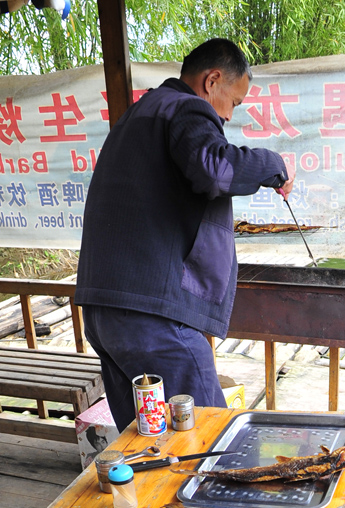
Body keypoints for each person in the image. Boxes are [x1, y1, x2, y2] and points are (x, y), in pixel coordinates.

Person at [75, 38, 293, 431]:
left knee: (147, 442)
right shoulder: (186, 108)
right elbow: (214, 169)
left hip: (105, 312)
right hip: (152, 317)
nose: (228, 117)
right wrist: (272, 163)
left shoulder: (139, 114)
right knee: (208, 438)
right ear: (212, 81)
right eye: (234, 102)